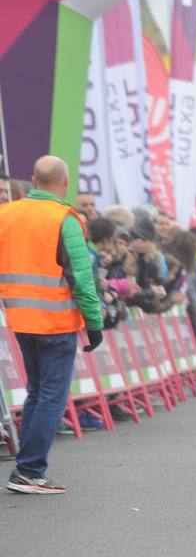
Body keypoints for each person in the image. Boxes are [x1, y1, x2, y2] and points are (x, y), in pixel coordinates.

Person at [0, 156, 103, 495]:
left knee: (36, 393)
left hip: (20, 320)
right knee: (51, 397)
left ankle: (27, 468)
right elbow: (82, 278)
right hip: (56, 321)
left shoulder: (6, 214)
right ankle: (30, 470)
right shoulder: (66, 219)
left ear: (32, 180)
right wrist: (94, 322)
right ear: (65, 183)